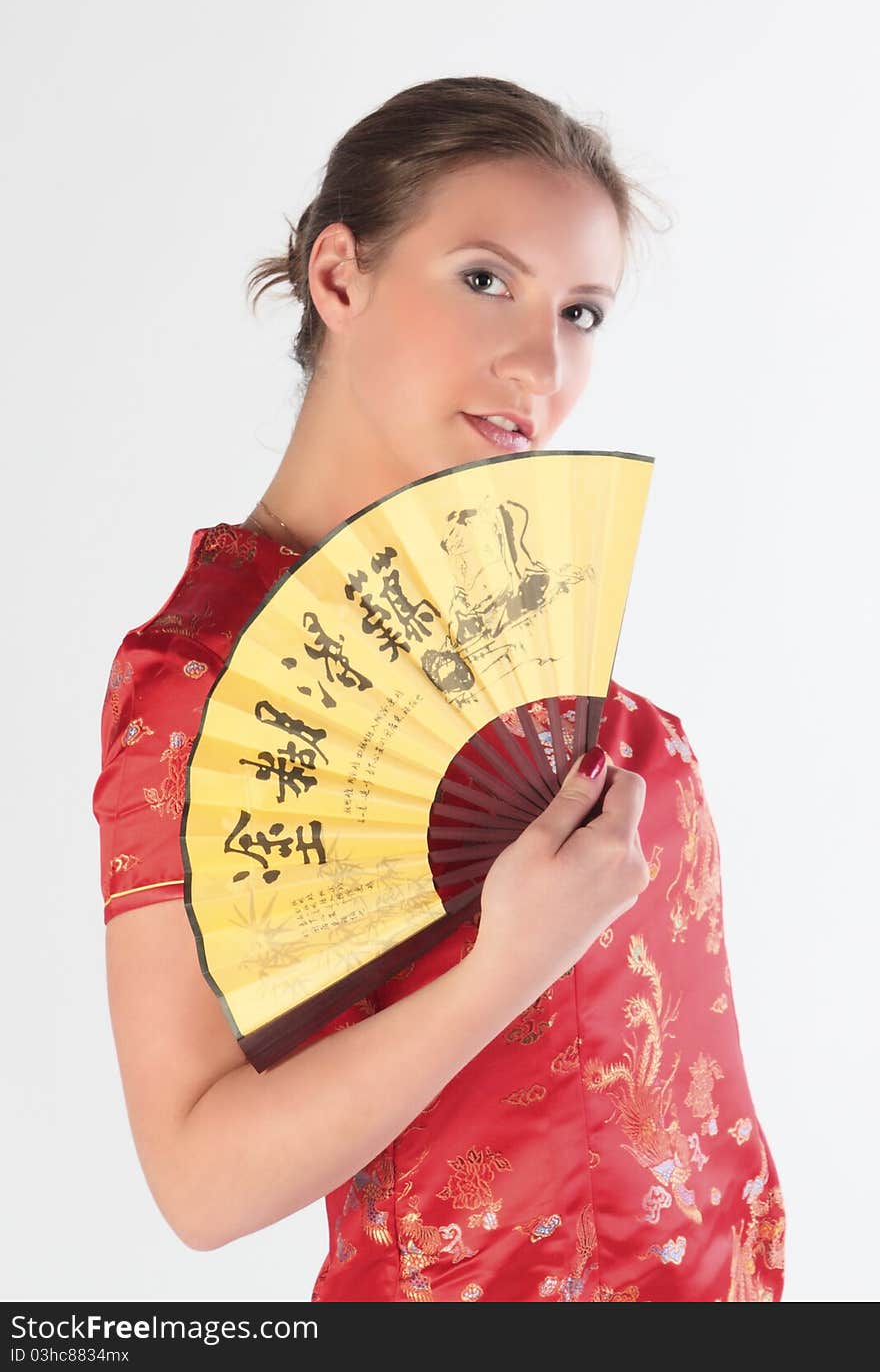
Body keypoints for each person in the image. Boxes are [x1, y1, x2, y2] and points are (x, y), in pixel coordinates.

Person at [92, 75, 786, 1302]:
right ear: (339, 277)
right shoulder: (204, 679)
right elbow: (198, 1180)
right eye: (485, 280)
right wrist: (504, 960)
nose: (540, 362)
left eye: (582, 311)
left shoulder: (520, 623)